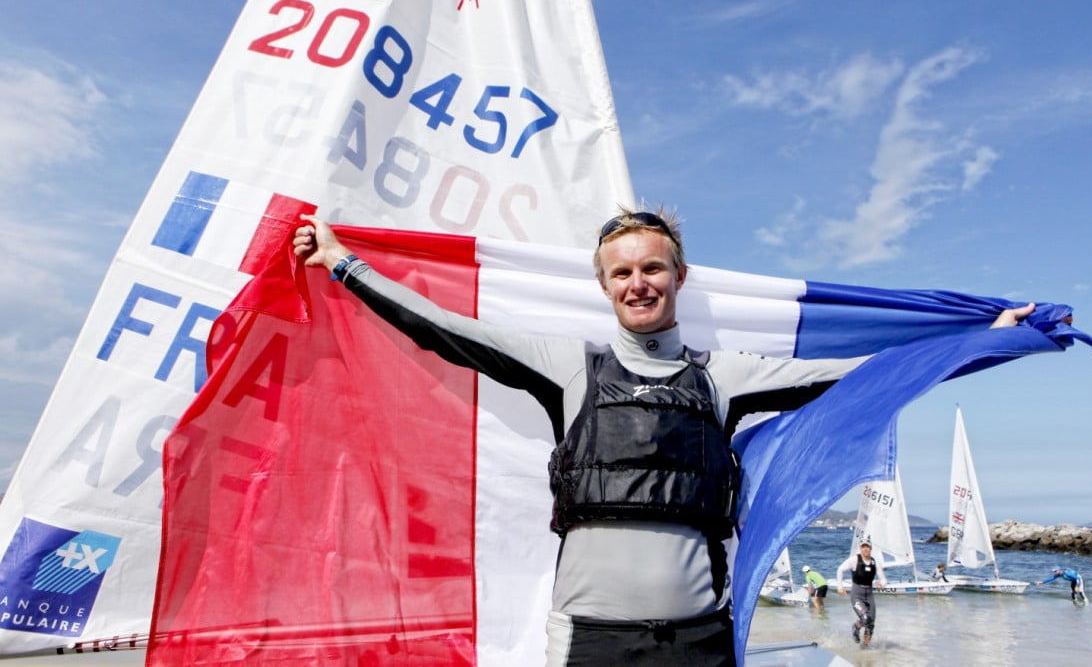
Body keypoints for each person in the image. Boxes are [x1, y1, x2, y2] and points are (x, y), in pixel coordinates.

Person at [293, 207, 1033, 666]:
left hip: (697, 642)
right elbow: (446, 330)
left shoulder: (726, 375)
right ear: (604, 285)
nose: (637, 282)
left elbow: (866, 374)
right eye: (621, 273)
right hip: (588, 641)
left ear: (678, 276)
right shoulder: (567, 365)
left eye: (652, 267)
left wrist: (985, 340)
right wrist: (343, 264)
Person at [836, 541, 887, 647]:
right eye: (863, 547)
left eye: (867, 547)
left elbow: (884, 580)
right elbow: (840, 570)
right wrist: (840, 587)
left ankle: (864, 648)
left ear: (870, 549)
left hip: (869, 595)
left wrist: (881, 583)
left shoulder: (874, 562)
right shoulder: (855, 560)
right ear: (860, 548)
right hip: (857, 594)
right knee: (865, 619)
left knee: (871, 625)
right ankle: (856, 626)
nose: (865, 549)